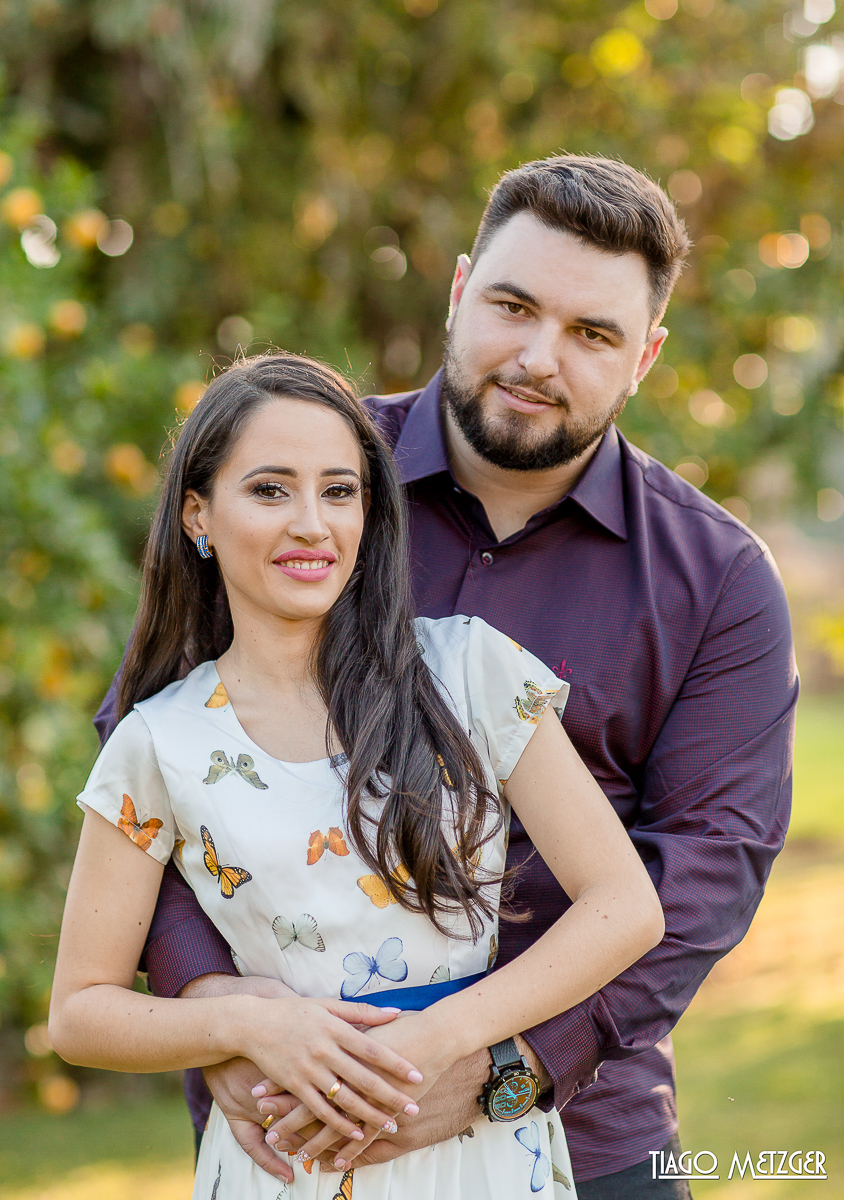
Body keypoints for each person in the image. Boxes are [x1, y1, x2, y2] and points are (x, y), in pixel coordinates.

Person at [94, 155, 797, 1198]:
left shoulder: (719, 583)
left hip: (584, 1136)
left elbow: (699, 877)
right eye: (513, 305)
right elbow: (149, 758)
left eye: (591, 333)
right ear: (461, 288)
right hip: (292, 1130)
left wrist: (496, 1071)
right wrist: (219, 1019)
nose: (535, 357)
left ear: (644, 356)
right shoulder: (293, 482)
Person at [50, 353, 665, 1199]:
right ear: (199, 514)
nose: (312, 523)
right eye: (270, 490)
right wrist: (243, 1026)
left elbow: (624, 906)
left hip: (481, 1153)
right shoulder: (158, 742)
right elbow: (79, 1011)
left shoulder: (472, 673)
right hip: (289, 1162)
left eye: (340, 492)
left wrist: (444, 1040)